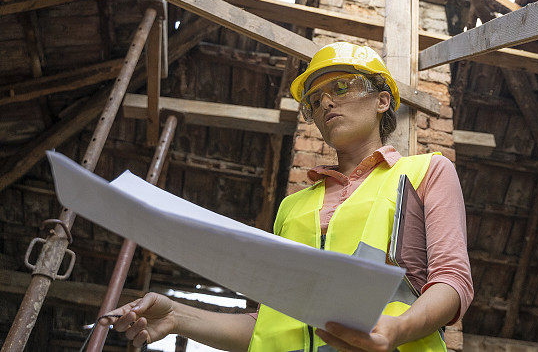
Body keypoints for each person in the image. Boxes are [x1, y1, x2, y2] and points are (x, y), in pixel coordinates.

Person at [101, 42, 473, 351]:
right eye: (316, 99)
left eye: (342, 88)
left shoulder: (427, 171)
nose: (327, 103)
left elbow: (452, 281)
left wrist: (399, 329)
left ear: (381, 101)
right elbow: (270, 325)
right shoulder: (292, 206)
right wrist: (178, 317)